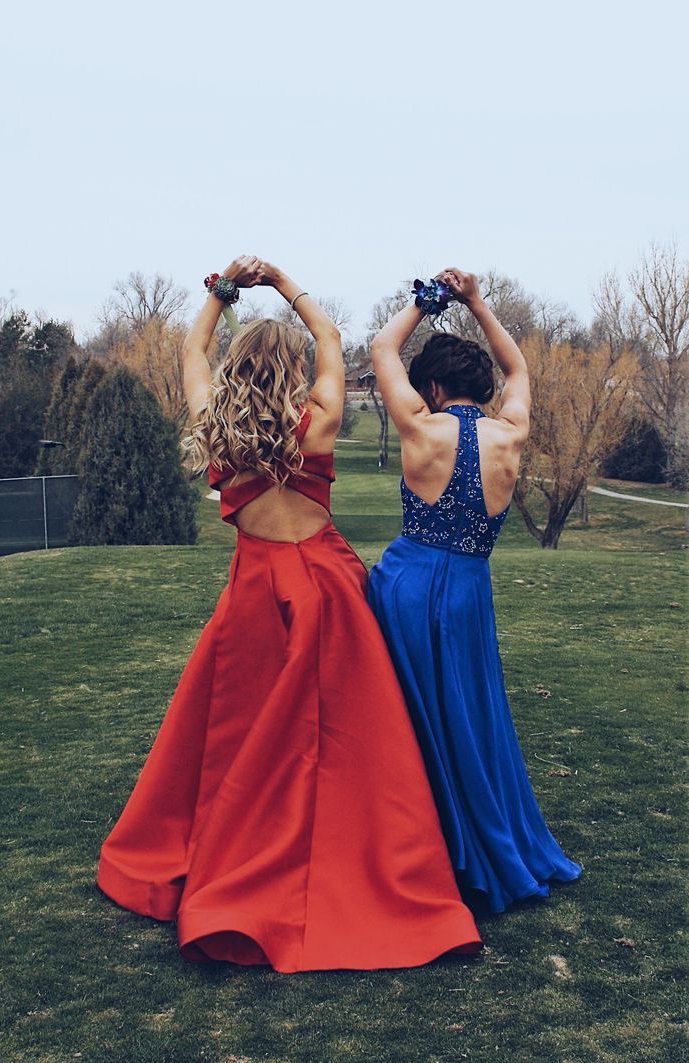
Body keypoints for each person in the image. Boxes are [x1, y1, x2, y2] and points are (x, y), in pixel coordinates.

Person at [97, 256, 482, 971]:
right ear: (292, 370)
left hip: (253, 590)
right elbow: (331, 334)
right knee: (347, 742)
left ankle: (246, 862)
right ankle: (359, 859)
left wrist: (222, 292)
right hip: (328, 587)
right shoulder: (321, 418)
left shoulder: (218, 418)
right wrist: (279, 282)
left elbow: (190, 351)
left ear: (241, 369)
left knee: (244, 743)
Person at [368, 267, 582, 913]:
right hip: (468, 591)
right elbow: (520, 372)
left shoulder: (420, 426)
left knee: (407, 720)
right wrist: (478, 304)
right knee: (467, 717)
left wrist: (426, 302)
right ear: (479, 386)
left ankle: (417, 847)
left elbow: (381, 348)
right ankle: (475, 843)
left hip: (407, 585)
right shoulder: (508, 432)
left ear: (432, 386)